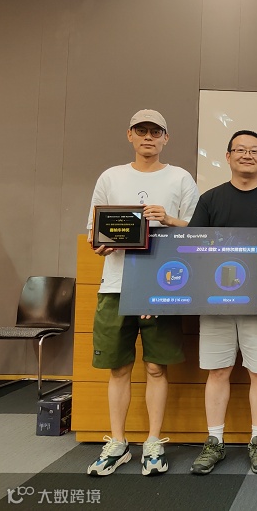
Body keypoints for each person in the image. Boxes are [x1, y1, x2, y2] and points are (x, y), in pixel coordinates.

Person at [86, 109, 200, 476]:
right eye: (141, 130)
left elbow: (197, 232)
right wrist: (100, 244)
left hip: (163, 286)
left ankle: (153, 441)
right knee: (118, 367)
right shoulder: (110, 177)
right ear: (130, 135)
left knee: (155, 366)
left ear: (166, 138)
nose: (148, 137)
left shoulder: (180, 178)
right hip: (115, 285)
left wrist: (168, 219)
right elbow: (93, 232)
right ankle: (117, 442)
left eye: (155, 131)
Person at [188, 130, 257, 475]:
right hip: (215, 302)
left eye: (255, 151)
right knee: (218, 371)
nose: (247, 155)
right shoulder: (210, 199)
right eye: (240, 150)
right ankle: (214, 442)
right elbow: (193, 247)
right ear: (228, 156)